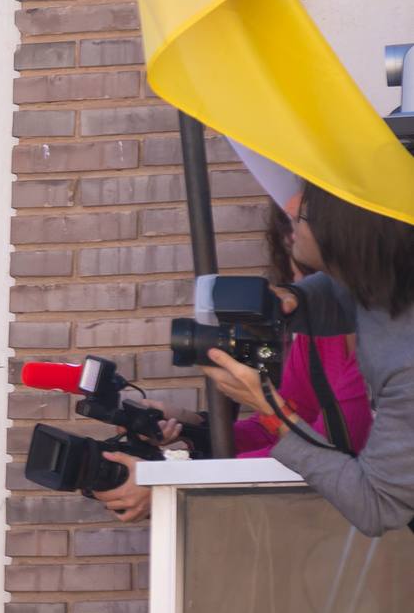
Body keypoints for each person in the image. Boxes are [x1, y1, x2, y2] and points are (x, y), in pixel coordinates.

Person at [94, 206, 372, 523]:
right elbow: (279, 429)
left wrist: (174, 481)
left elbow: (329, 451)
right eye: (293, 271)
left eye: (308, 272)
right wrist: (187, 426)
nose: (297, 285)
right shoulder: (317, 337)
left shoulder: (379, 345)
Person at [197, 184, 414, 537]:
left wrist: (271, 410)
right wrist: (295, 300)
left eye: (306, 212)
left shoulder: (407, 361)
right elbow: (344, 294)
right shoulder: (387, 282)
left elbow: (377, 506)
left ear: (340, 231)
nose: (291, 211)